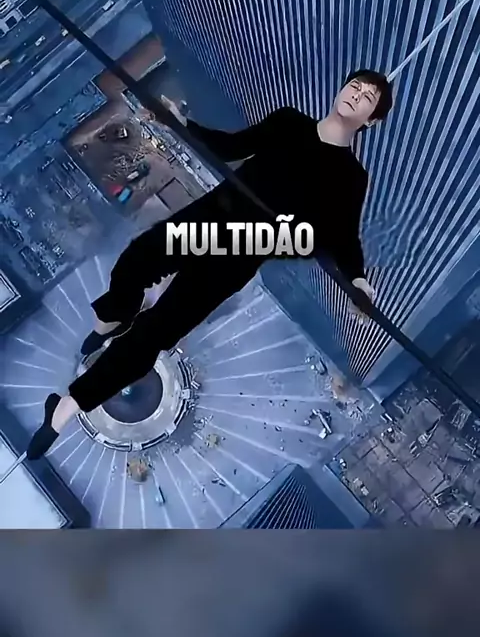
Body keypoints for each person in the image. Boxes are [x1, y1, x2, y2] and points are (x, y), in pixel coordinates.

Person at [26, 70, 393, 460]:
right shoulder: (289, 122)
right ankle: (112, 319)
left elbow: (342, 235)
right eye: (355, 86)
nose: (357, 95)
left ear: (371, 120)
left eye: (368, 97)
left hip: (244, 252)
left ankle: (67, 407)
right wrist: (181, 124)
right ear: (342, 88)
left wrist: (357, 280)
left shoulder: (351, 177)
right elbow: (230, 146)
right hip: (210, 218)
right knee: (135, 261)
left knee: (157, 331)